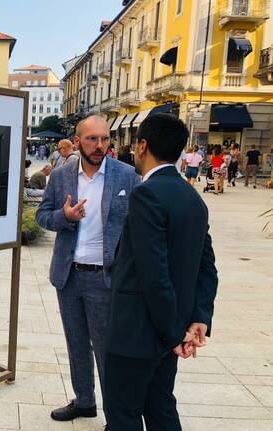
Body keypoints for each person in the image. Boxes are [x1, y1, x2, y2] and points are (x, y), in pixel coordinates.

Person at [103, 113, 218, 431]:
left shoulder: (147, 194)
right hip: (170, 330)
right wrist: (199, 318)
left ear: (141, 146)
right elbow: (207, 267)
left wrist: (175, 333)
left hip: (137, 333)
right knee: (161, 408)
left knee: (123, 416)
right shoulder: (192, 197)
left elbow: (154, 273)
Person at [36, 115, 141, 424]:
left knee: (107, 351)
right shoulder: (61, 176)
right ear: (78, 141)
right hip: (68, 276)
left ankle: (116, 416)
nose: (100, 145)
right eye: (92, 139)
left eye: (105, 139)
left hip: (105, 278)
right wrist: (64, 217)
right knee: (76, 342)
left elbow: (139, 224)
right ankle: (84, 401)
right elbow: (43, 216)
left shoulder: (127, 176)